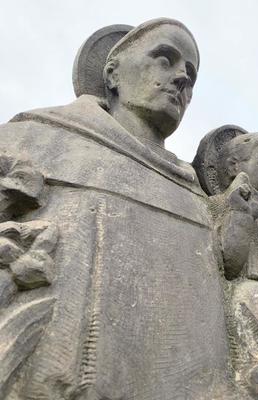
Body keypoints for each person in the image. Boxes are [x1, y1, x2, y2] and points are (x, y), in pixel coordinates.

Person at [0, 19, 234, 400]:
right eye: (165, 59)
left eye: (190, 74)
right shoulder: (34, 141)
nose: (181, 79)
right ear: (112, 73)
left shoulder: (193, 192)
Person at [193, 127, 258, 399]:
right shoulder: (218, 206)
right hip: (251, 301)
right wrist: (240, 215)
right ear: (233, 167)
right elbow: (228, 262)